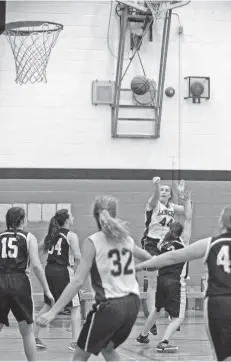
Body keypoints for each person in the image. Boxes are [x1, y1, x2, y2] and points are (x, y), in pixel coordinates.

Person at [36, 195, 152, 361]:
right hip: (133, 305)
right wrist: (145, 266)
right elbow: (150, 259)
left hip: (110, 306)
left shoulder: (93, 241)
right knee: (107, 348)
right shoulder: (126, 238)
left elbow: (77, 281)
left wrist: (53, 312)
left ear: (95, 217)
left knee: (79, 356)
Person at [136, 204, 231, 361]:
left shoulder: (210, 243)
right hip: (178, 284)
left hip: (217, 303)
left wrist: (141, 265)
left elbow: (172, 257)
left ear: (221, 222)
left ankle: (145, 334)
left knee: (221, 356)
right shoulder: (184, 241)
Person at [136, 187, 192, 352]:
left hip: (162, 277)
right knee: (178, 318)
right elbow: (188, 218)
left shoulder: (163, 244)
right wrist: (187, 198)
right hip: (175, 281)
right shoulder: (183, 242)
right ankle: (164, 341)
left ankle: (144, 334)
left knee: (157, 309)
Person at [0, 207, 54, 361]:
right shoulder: (28, 237)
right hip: (20, 283)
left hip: (1, 281)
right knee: (27, 332)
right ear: (22, 220)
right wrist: (47, 289)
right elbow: (36, 266)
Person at [141, 177, 187, 335]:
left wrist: (184, 196)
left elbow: (187, 212)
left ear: (170, 195)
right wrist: (156, 184)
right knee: (153, 282)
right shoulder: (153, 203)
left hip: (166, 245)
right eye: (162, 190)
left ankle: (171, 313)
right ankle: (151, 321)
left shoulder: (173, 206)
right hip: (152, 244)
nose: (164, 191)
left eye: (167, 190)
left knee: (169, 279)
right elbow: (154, 196)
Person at [34, 209, 81, 351]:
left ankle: (33, 337)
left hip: (49, 270)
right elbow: (78, 256)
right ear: (67, 220)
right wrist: (77, 273)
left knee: (49, 305)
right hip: (63, 271)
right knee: (75, 307)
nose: (73, 217)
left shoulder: (51, 235)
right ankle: (75, 342)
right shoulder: (71, 235)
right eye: (71, 216)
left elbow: (37, 247)